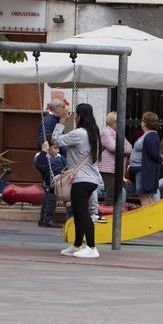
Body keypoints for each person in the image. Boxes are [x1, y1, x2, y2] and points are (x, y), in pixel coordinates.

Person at [44, 103, 103, 259]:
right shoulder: (93, 133)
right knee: (78, 212)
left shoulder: (79, 133)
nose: (75, 117)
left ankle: (91, 246)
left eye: (76, 115)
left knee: (82, 213)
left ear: (80, 116)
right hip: (90, 178)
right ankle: (77, 244)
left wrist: (62, 121)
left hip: (80, 179)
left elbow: (56, 140)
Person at [98, 111, 132, 206]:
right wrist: (123, 148)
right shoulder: (106, 132)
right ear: (113, 122)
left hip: (115, 168)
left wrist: (122, 148)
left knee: (115, 192)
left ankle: (113, 214)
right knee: (111, 193)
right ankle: (108, 214)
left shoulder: (117, 133)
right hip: (108, 168)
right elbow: (113, 147)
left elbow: (130, 147)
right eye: (119, 121)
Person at [34, 142, 65, 228]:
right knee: (50, 199)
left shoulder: (60, 157)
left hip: (57, 181)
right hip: (50, 182)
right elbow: (39, 164)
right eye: (55, 148)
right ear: (48, 148)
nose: (58, 151)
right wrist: (44, 151)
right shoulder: (42, 157)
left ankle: (44, 219)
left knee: (48, 198)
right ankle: (47, 219)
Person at [134, 112, 162, 204]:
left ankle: (148, 216)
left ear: (145, 122)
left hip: (145, 170)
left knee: (144, 195)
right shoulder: (149, 135)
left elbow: (153, 153)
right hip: (142, 169)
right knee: (144, 195)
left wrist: (161, 159)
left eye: (142, 120)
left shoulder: (151, 136)